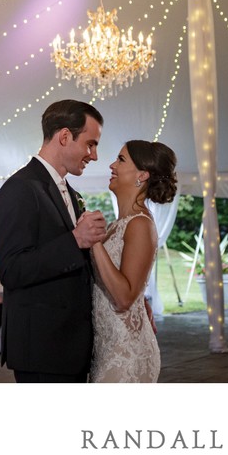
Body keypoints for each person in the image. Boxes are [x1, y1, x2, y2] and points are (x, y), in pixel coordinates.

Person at [0, 99, 107, 383]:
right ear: (65, 136)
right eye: (90, 144)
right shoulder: (19, 189)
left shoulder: (70, 191)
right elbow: (12, 270)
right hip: (42, 349)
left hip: (71, 347)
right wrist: (74, 239)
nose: (94, 156)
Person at [88, 140, 176, 383]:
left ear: (142, 175)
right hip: (107, 346)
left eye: (121, 159)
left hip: (127, 353)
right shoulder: (117, 225)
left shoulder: (140, 224)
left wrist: (94, 241)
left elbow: (125, 297)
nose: (112, 165)